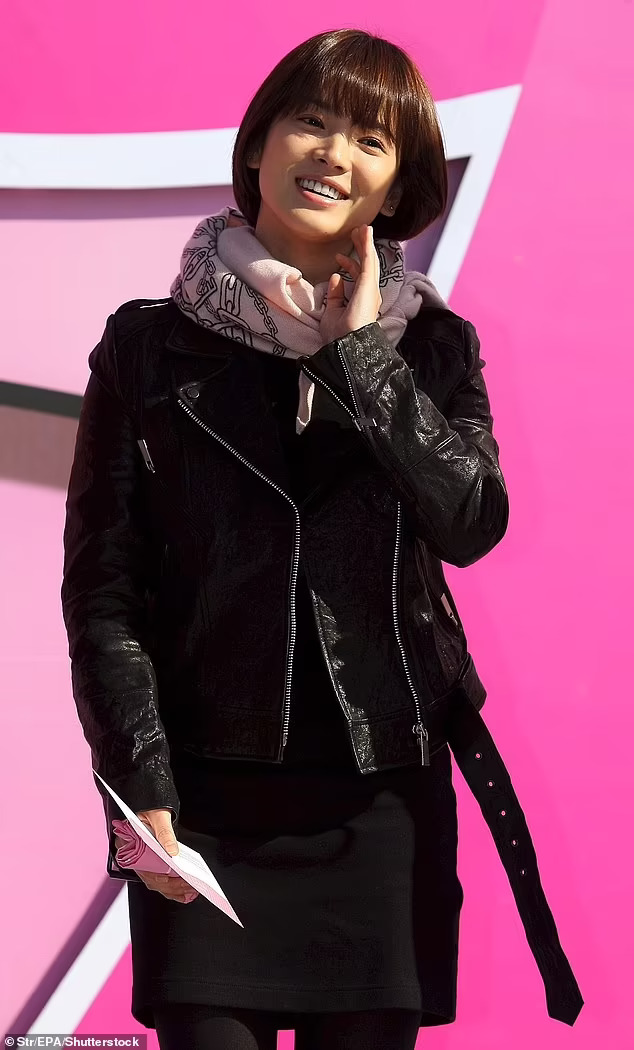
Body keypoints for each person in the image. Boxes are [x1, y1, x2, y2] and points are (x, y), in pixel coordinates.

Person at [60, 28, 583, 1050]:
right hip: (200, 802)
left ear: (395, 186)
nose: (333, 154)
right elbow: (104, 590)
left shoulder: (433, 347)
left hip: (379, 803)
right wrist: (138, 780)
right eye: (311, 121)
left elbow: (471, 522)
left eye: (369, 139)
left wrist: (360, 355)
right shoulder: (146, 347)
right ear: (259, 144)